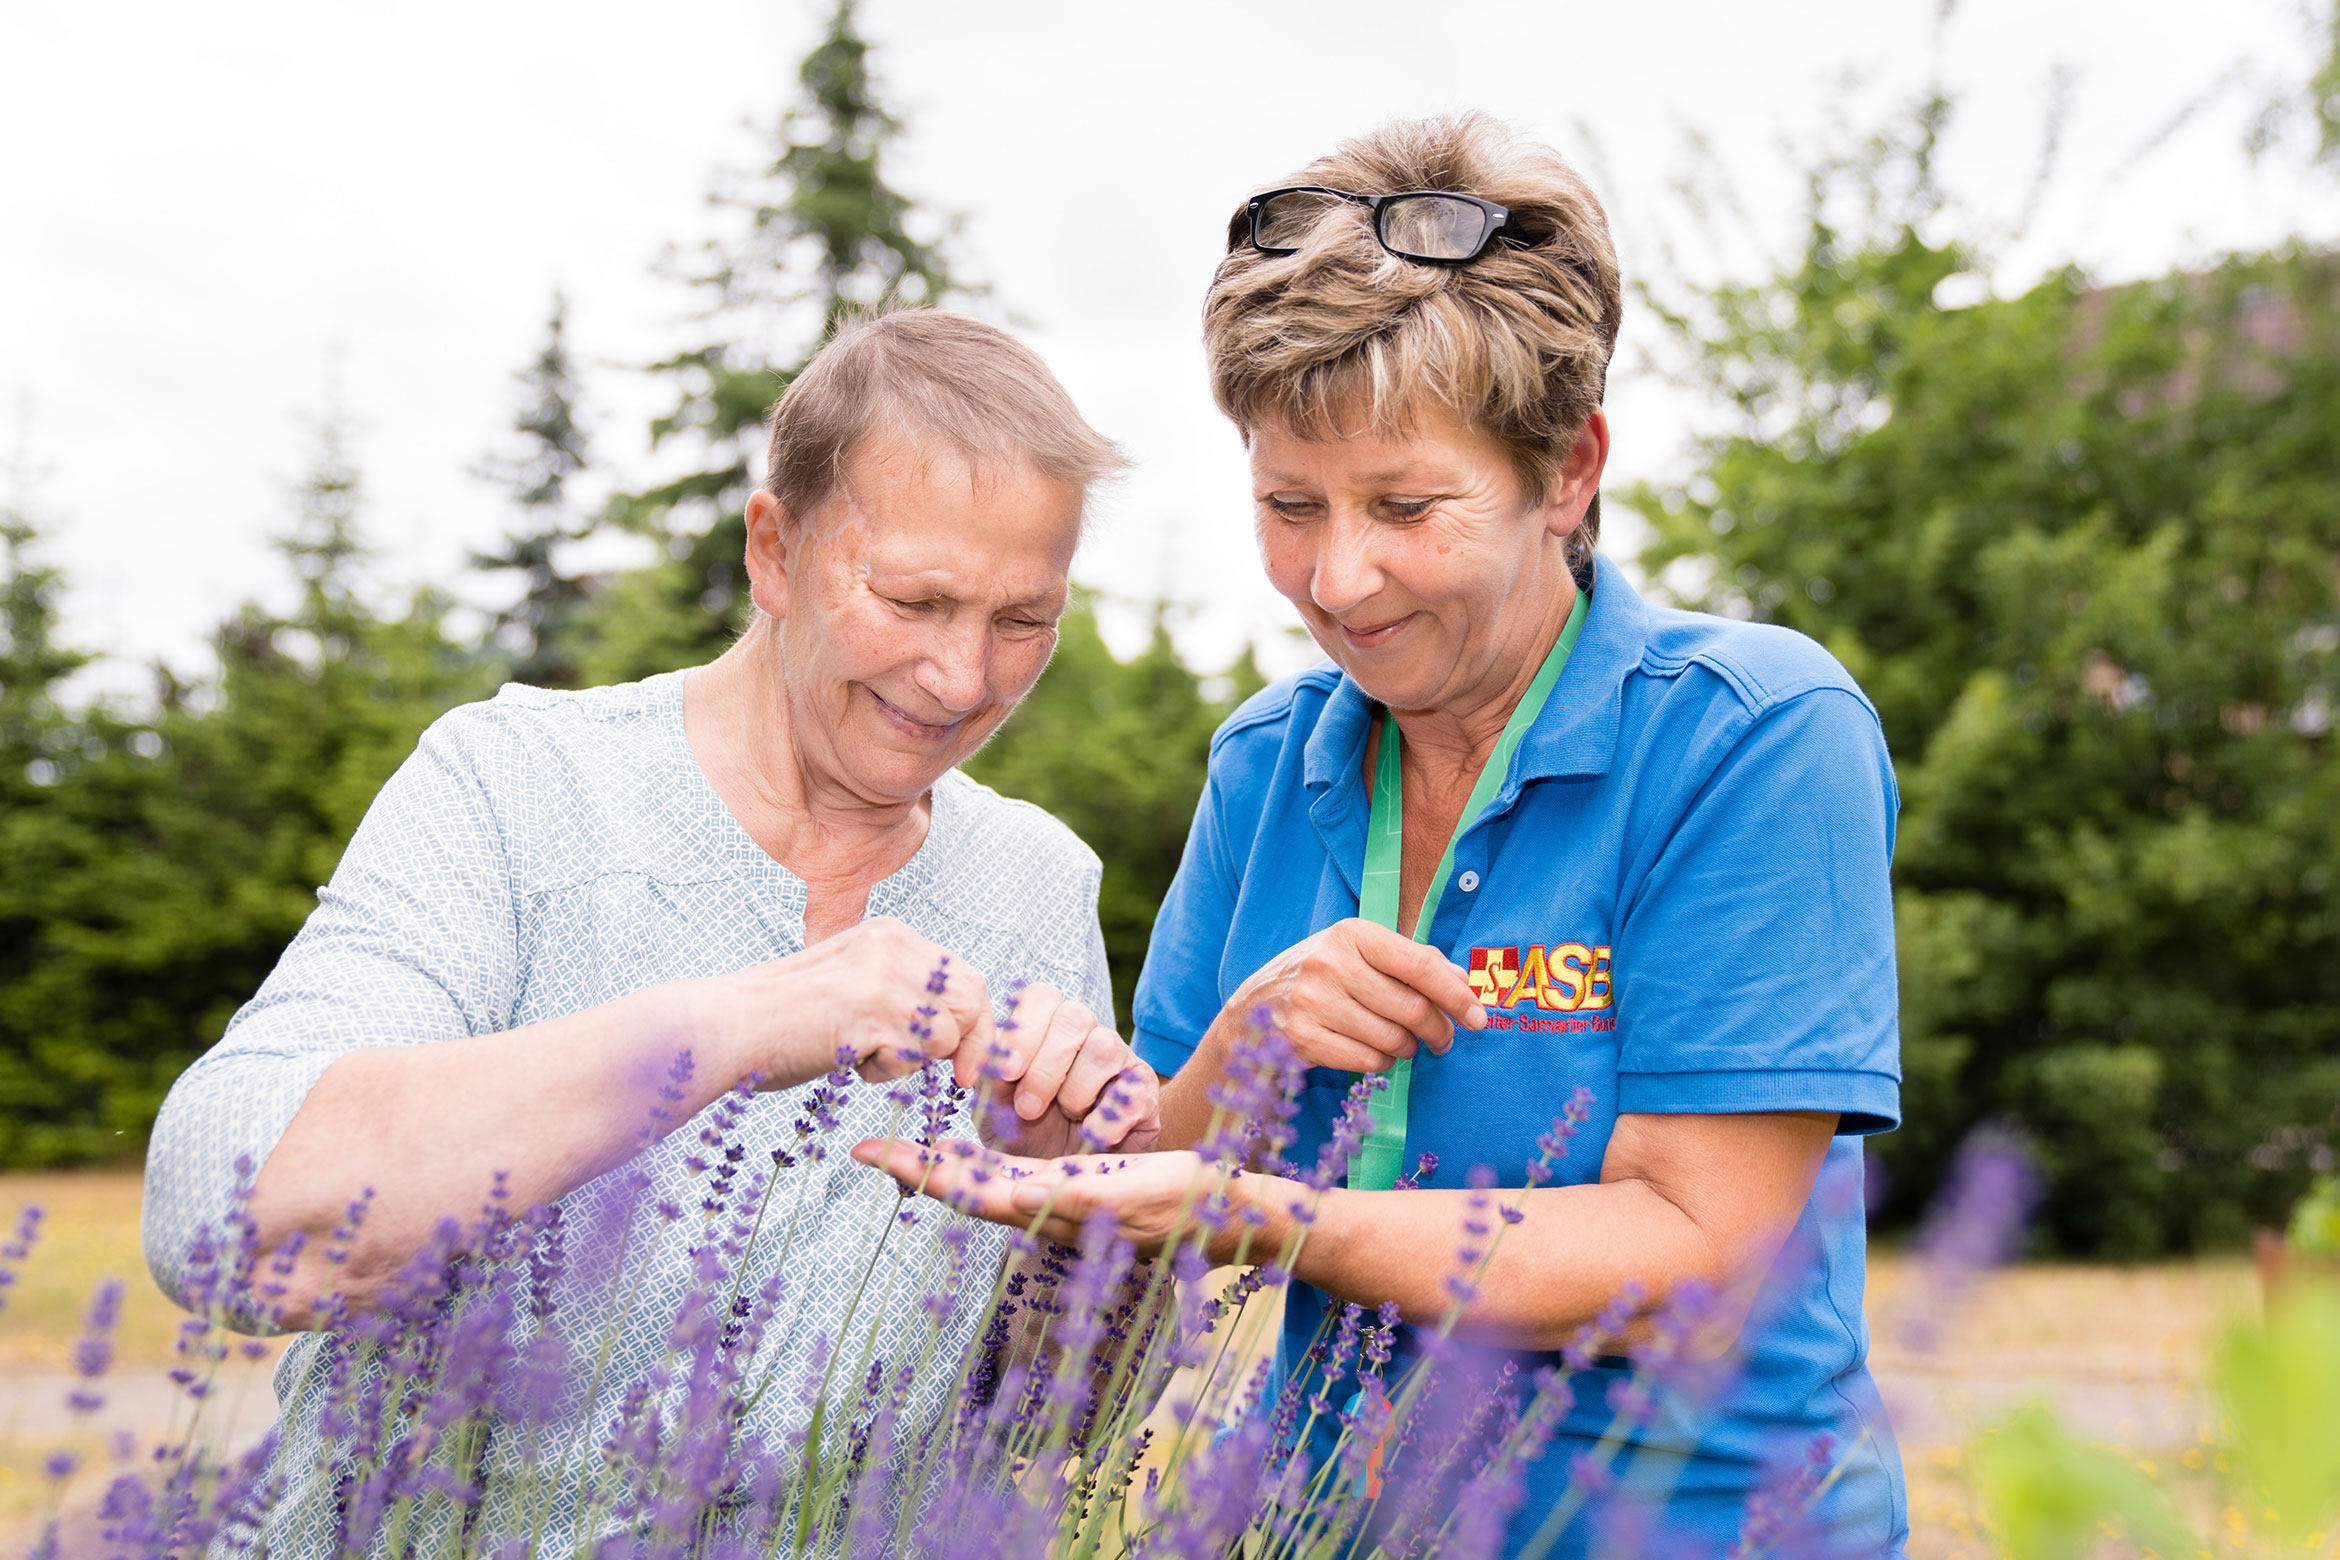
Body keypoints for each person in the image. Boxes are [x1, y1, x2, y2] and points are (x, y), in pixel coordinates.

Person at [861, 116, 1907, 1556]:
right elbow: (1159, 1164)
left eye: (1407, 506)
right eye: (1289, 506)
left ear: (1571, 472)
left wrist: (1280, 1223)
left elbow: (1691, 1246)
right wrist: (1191, 1075)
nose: (1338, 579)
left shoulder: (1751, 732)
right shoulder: (1266, 761)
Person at [141, 310, 1161, 1551]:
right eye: (916, 599)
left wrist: (1071, 1227)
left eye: (1022, 621)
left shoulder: (1037, 885)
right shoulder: (511, 785)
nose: (963, 679)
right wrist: (745, 1025)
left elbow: (1048, 1433)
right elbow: (224, 1220)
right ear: (774, 553)